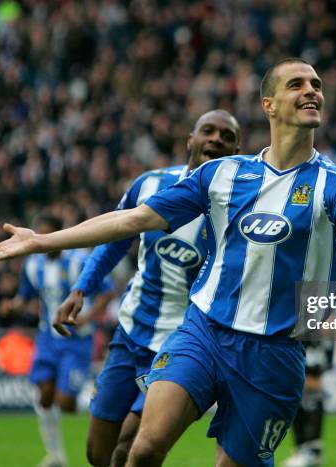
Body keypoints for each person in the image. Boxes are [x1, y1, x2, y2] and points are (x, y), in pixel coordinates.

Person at [0, 58, 336, 467]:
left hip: (275, 353)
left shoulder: (334, 183)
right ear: (268, 105)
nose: (312, 91)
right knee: (142, 448)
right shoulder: (223, 174)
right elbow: (133, 220)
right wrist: (43, 241)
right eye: (298, 84)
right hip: (203, 333)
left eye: (317, 84)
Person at [51, 110, 241, 467]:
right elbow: (113, 241)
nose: (216, 139)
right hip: (131, 332)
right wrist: (80, 289)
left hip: (184, 344)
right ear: (190, 140)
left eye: (227, 136)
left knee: (131, 448)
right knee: (98, 452)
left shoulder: (236, 208)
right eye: (209, 131)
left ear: (236, 151)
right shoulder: (150, 184)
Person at [0, 214, 114, 467]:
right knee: (44, 396)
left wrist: (88, 318)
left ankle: (107, 403)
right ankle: (56, 456)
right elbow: (26, 296)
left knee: (66, 403)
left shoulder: (79, 261)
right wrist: (12, 306)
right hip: (47, 338)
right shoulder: (33, 264)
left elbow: (107, 291)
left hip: (76, 339)